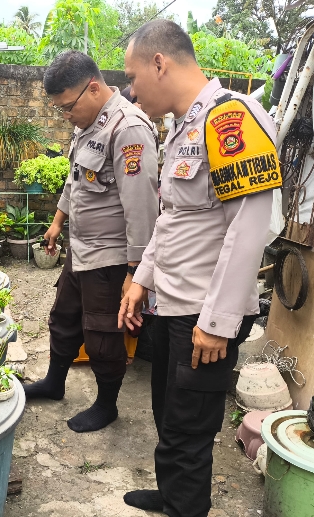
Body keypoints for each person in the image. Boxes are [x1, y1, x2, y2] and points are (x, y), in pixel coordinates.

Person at [119, 20, 280, 517]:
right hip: (171, 305)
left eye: (132, 75)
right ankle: (173, 497)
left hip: (202, 316)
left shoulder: (230, 119)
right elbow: (173, 219)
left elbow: (249, 228)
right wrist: (141, 279)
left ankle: (185, 507)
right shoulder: (182, 126)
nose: (131, 88)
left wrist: (217, 324)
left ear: (159, 63)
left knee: (190, 427)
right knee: (168, 414)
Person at [24, 50, 160, 433]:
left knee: (102, 334)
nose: (64, 116)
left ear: (94, 88)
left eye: (66, 107)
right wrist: (56, 223)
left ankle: (106, 404)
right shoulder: (86, 124)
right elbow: (75, 181)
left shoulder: (128, 128)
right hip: (80, 249)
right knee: (64, 317)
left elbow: (143, 210)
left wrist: (136, 273)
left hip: (111, 257)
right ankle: (54, 383)